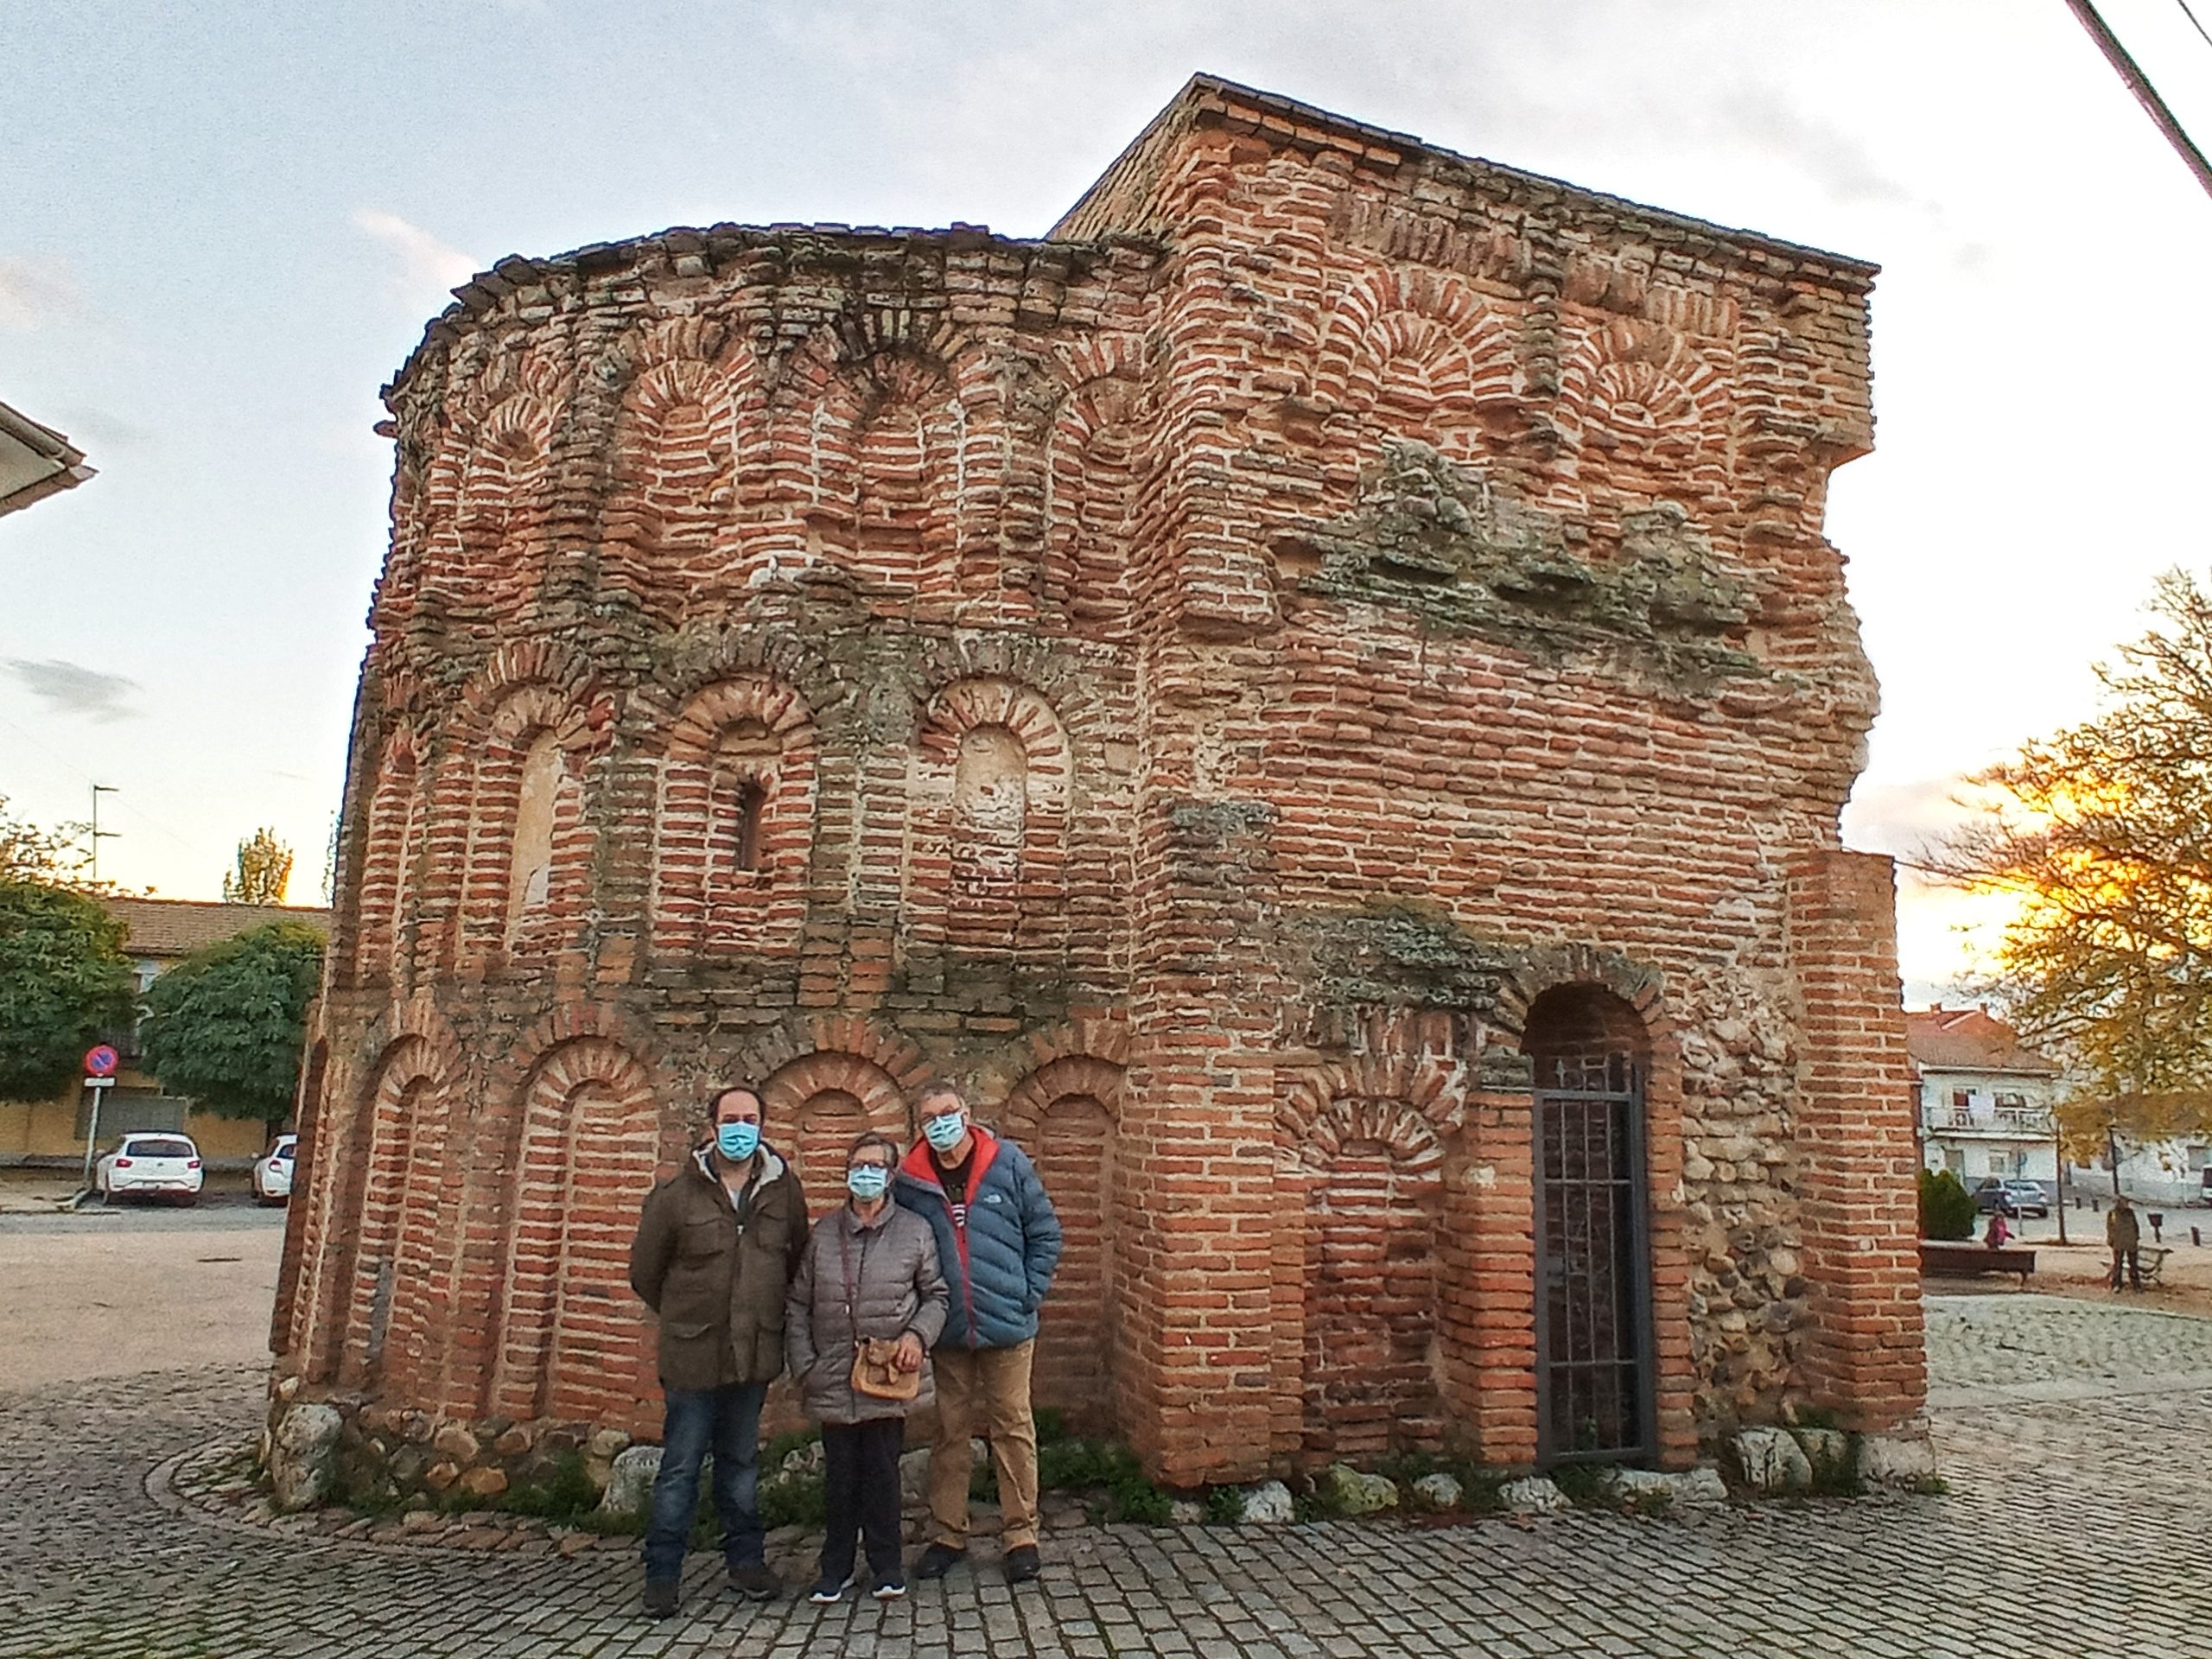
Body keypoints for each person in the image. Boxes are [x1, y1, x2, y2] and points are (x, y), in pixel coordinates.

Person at [628, 1084, 809, 1619]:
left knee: (741, 1465)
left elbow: (796, 1258)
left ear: (763, 1125)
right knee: (680, 1468)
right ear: (712, 1126)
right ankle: (662, 1575)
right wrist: (686, 1315)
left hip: (753, 1355)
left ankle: (746, 1564)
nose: (740, 1127)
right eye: (730, 1118)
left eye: (750, 1118)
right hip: (692, 1356)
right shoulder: (676, 1197)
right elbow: (645, 1272)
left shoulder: (782, 1191)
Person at [894, 1083, 1062, 1586]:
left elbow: (1045, 1232)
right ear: (919, 1126)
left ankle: (1020, 1535)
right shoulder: (911, 1179)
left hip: (1008, 1323)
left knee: (1012, 1426)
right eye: (930, 1116)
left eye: (949, 1112)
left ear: (966, 1113)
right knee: (950, 1431)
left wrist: (1026, 1293)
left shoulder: (1006, 1163)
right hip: (947, 1328)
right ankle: (948, 1533)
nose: (941, 1122)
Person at [785, 1131, 948, 1605]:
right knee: (839, 1477)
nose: (866, 1174)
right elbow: (797, 1303)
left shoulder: (914, 1231)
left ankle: (886, 1565)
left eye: (876, 1166)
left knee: (881, 1473)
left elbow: (936, 1295)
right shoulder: (823, 1233)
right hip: (833, 1373)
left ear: (892, 1175)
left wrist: (916, 1338)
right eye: (858, 1165)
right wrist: (805, 1365)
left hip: (887, 1375)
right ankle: (833, 1566)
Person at [2107, 1194, 2143, 1291]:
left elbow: (2135, 1225)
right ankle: (2117, 1284)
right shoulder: (2113, 1213)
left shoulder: (2130, 1213)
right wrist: (2111, 1239)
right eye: (2125, 1202)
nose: (2127, 1204)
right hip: (2118, 1242)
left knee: (2133, 1264)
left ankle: (2136, 1284)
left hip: (2130, 1241)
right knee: (2118, 1264)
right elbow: (2110, 1227)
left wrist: (2136, 1236)